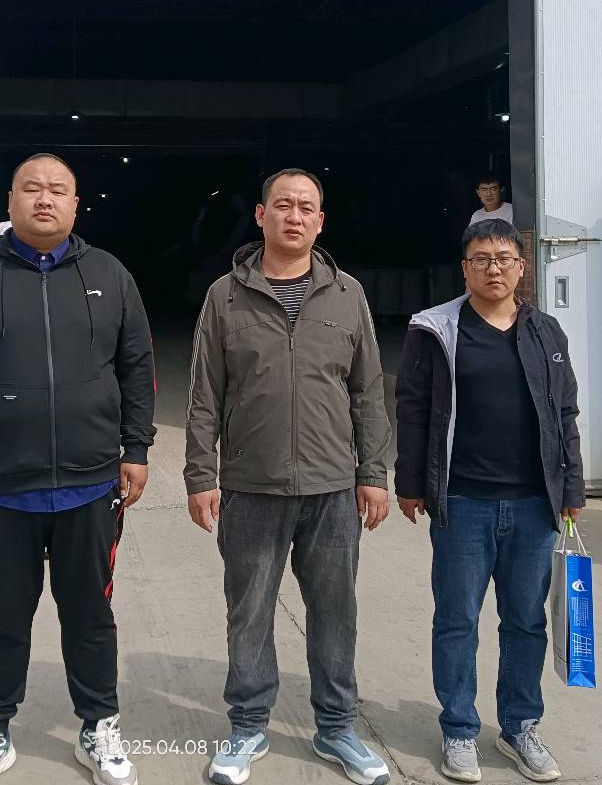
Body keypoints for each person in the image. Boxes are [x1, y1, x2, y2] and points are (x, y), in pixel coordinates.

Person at [0, 153, 156, 785]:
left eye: (58, 190)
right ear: (11, 200)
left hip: (90, 483)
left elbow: (137, 365)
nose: (45, 199)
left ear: (76, 204)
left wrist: (134, 449)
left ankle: (98, 726)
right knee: (3, 615)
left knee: (90, 613)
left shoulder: (109, 275)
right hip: (2, 486)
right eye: (32, 188)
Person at [184, 168, 393, 785]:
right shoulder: (225, 296)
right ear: (261, 215)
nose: (294, 216)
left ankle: (337, 728)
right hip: (252, 485)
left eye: (306, 207)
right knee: (249, 611)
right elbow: (204, 395)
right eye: (283, 205)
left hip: (333, 486)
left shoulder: (347, 294)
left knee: (334, 611)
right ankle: (248, 725)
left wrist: (373, 472)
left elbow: (368, 391)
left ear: (320, 222)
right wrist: (200, 474)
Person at [393, 218, 584, 784]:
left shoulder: (546, 331)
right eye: (481, 259)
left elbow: (565, 412)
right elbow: (413, 408)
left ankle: (520, 726)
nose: (493, 268)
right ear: (465, 269)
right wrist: (410, 482)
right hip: (463, 502)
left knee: (525, 622)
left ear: (522, 268)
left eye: (503, 258)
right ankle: (458, 728)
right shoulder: (435, 329)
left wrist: (571, 486)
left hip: (533, 504)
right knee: (457, 620)